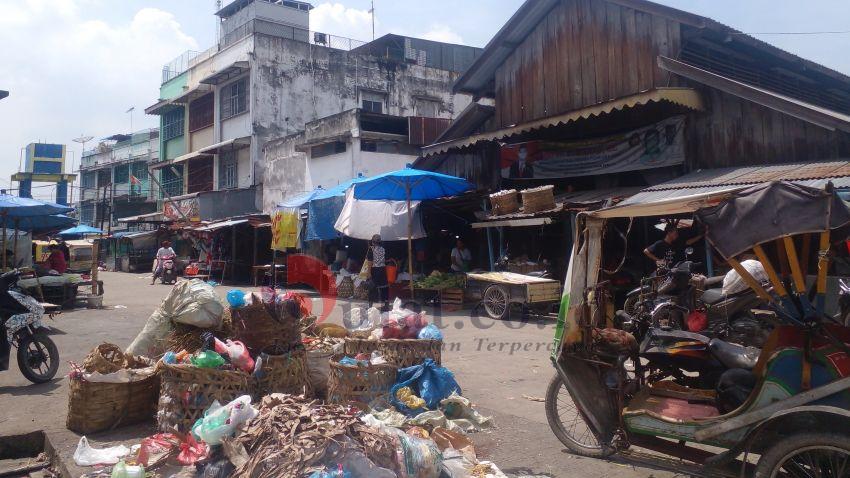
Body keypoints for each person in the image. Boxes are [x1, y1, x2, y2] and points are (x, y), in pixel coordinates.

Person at [366, 234, 389, 309]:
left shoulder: (371, 249)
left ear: (372, 241)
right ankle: (386, 304)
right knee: (384, 287)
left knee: (372, 287)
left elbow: (370, 261)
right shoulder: (383, 249)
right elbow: (385, 260)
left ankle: (370, 305)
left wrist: (368, 272)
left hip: (375, 270)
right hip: (382, 269)